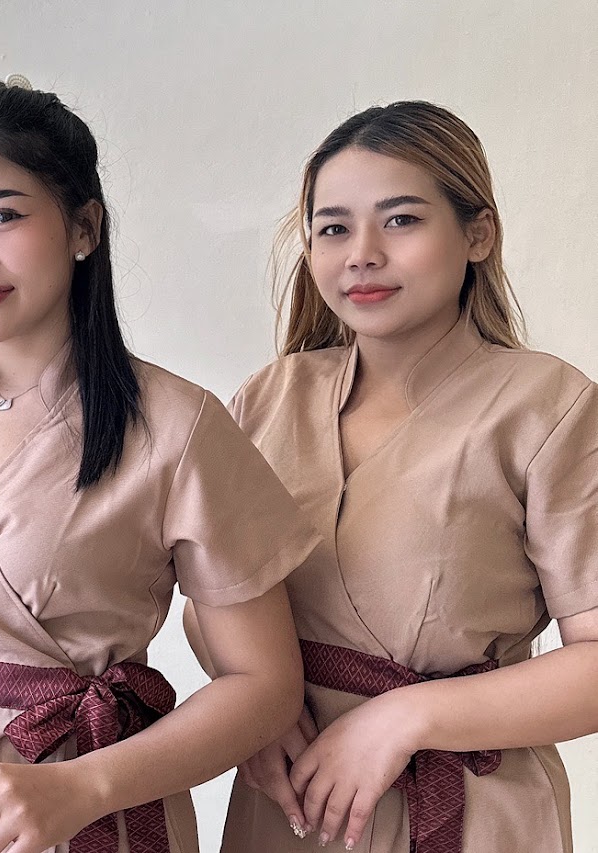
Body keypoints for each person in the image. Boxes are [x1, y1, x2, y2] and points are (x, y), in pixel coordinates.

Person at [0, 80, 319, 853]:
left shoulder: (179, 425)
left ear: (84, 227)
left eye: (4, 216)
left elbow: (265, 684)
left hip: (98, 818)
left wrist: (84, 786)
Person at [202, 101, 598, 853]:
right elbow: (213, 600)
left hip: (471, 808)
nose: (362, 254)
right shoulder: (268, 399)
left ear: (478, 234)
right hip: (289, 800)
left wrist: (406, 717)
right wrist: (257, 703)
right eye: (333, 228)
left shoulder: (550, 405)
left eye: (402, 220)